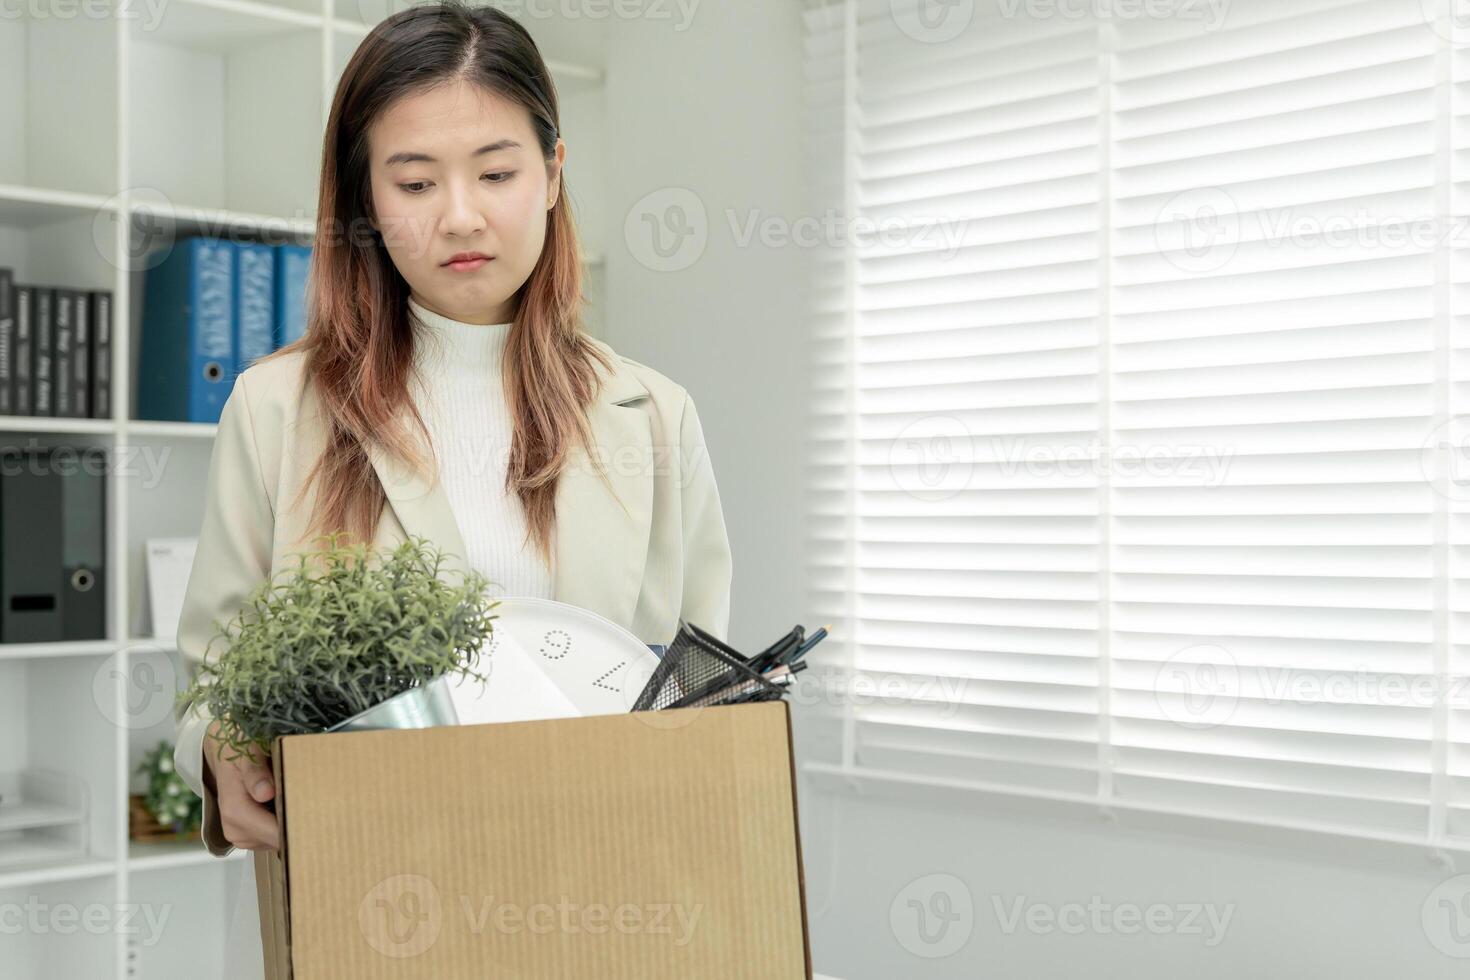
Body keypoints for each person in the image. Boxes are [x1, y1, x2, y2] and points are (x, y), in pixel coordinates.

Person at [171, 0, 733, 856]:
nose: (460, 217)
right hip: (374, 866)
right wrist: (218, 753)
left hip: (610, 858)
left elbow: (704, 689)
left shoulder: (655, 414)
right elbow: (217, 673)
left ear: (552, 174)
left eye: (497, 174)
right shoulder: (277, 406)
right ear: (365, 195)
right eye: (416, 182)